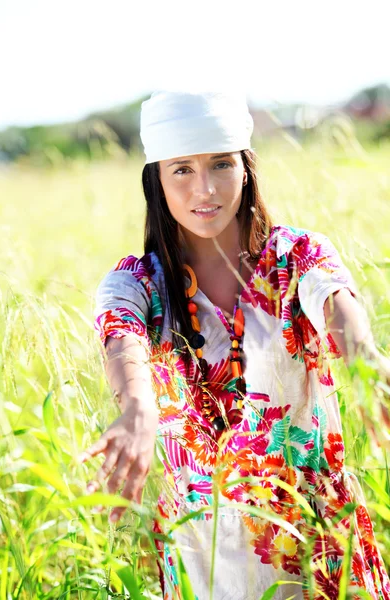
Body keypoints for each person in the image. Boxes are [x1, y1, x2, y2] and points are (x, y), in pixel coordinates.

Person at [79, 91, 390, 600]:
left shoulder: (296, 255)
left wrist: (366, 357)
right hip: (206, 553)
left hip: (318, 542)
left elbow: (335, 303)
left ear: (245, 168)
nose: (205, 188)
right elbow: (122, 337)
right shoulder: (139, 284)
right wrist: (136, 407)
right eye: (182, 169)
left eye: (221, 163)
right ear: (156, 179)